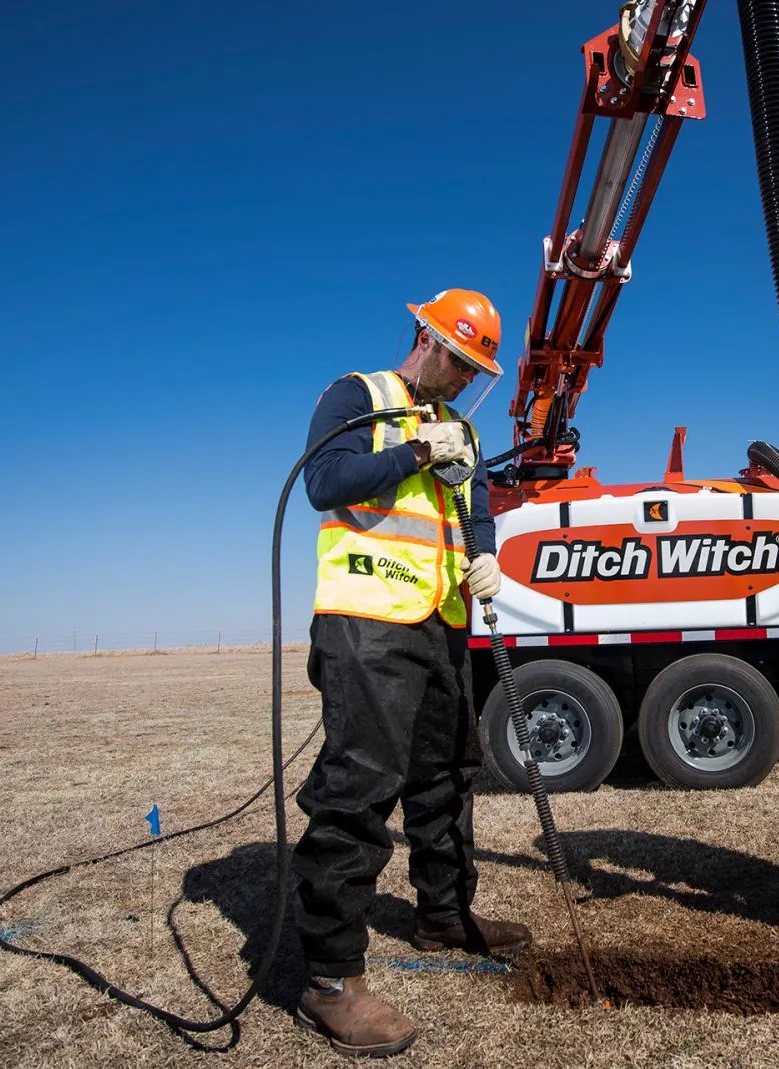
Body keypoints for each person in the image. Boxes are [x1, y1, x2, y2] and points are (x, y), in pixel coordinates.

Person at [292, 288, 531, 1058]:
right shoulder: (356, 396)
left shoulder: (463, 426)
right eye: (459, 362)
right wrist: (421, 451)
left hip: (442, 622)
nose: (465, 380)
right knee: (360, 788)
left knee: (447, 776)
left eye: (477, 370)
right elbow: (325, 483)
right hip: (365, 622)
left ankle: (444, 913)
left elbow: (478, 504)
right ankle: (330, 980)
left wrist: (485, 552)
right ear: (424, 337)